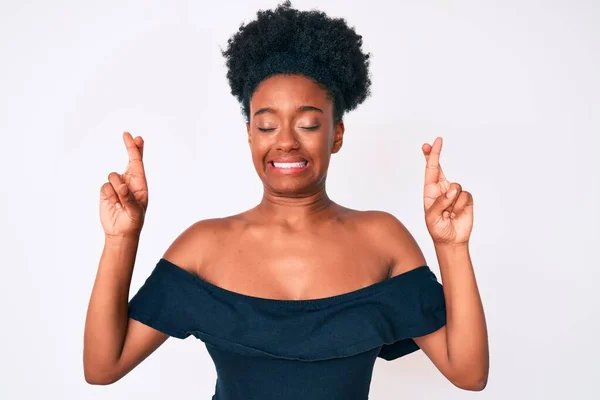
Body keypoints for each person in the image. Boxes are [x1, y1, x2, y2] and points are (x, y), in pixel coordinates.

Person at [83, 1, 488, 398]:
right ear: (249, 135)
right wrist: (121, 239)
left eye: (309, 123)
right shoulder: (204, 246)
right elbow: (103, 366)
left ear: (337, 134)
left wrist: (451, 246)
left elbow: (469, 373)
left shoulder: (382, 239)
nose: (287, 141)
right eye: (267, 125)